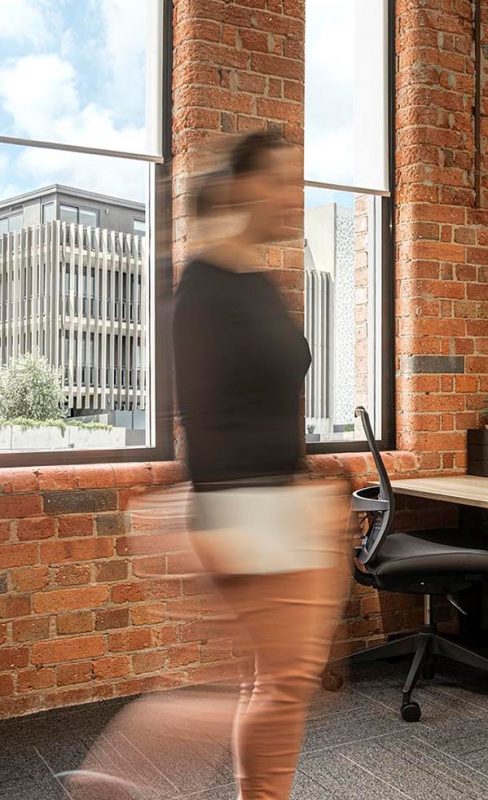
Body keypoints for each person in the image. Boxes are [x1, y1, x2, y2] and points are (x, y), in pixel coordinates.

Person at [172, 130, 349, 800]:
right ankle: (122, 776)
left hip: (274, 501)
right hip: (247, 508)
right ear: (243, 186)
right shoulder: (208, 282)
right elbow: (205, 412)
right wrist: (228, 519)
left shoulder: (254, 277)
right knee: (282, 683)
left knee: (267, 683)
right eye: (279, 180)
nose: (290, 197)